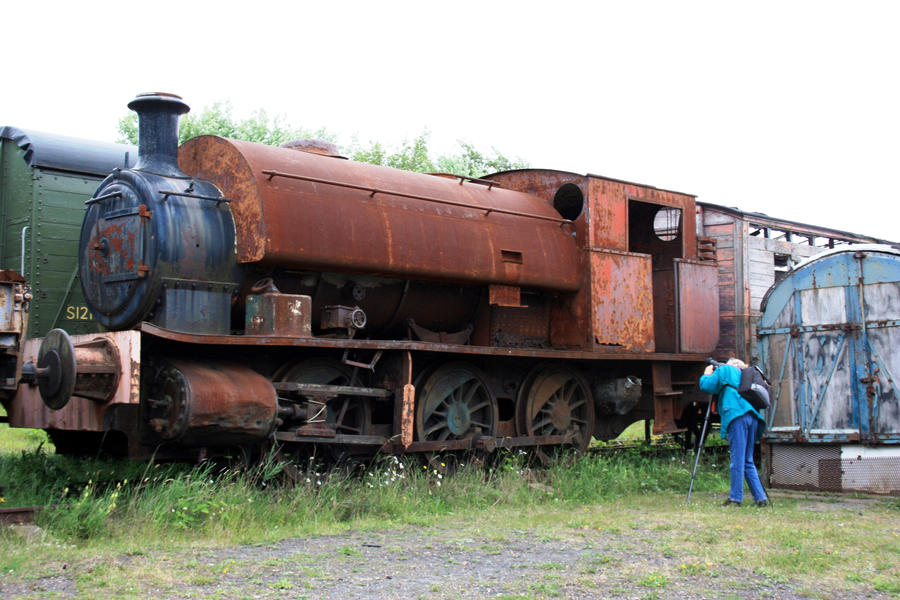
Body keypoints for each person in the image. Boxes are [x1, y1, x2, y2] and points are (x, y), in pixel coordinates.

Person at [699, 358, 769, 506]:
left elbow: (707, 386)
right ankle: (760, 498)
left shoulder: (726, 370)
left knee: (737, 460)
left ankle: (735, 499)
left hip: (737, 416)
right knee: (747, 460)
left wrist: (706, 374)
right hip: (753, 417)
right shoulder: (745, 374)